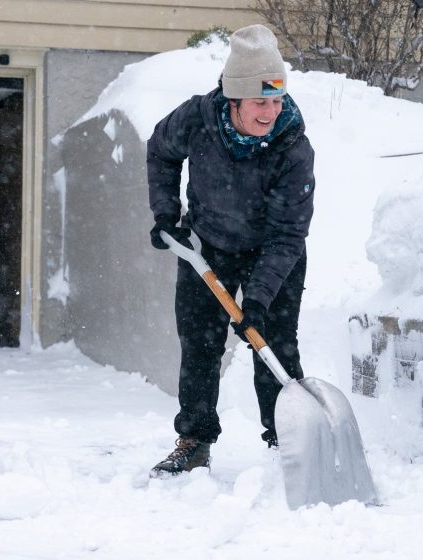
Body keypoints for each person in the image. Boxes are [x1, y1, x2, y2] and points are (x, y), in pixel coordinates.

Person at [146, 24, 315, 476]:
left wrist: (257, 299)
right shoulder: (198, 118)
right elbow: (161, 151)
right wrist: (166, 215)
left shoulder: (292, 146)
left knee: (275, 348)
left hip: (272, 253)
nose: (271, 112)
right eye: (261, 101)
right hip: (207, 247)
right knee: (199, 346)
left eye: (278, 101)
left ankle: (287, 443)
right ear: (234, 98)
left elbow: (287, 234)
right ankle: (195, 440)